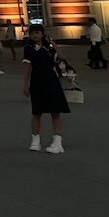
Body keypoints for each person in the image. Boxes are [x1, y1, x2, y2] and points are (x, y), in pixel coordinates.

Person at [23, 24, 69, 153]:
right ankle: (35, 140)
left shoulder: (49, 48)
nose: (34, 35)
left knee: (55, 111)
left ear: (42, 33)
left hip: (51, 80)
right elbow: (26, 67)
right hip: (37, 81)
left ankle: (57, 141)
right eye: (32, 33)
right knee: (36, 111)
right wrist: (25, 85)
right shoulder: (29, 48)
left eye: (37, 32)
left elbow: (62, 57)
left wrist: (53, 43)